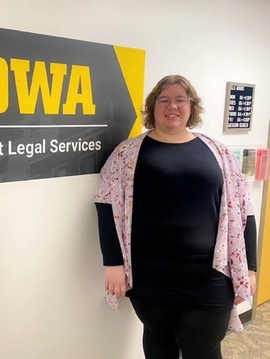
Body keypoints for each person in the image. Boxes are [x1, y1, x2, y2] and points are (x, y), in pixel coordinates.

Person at [95, 74, 257, 359]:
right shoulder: (128, 154)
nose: (173, 106)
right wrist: (113, 263)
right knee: (158, 348)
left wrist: (251, 268)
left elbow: (244, 208)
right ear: (152, 107)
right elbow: (105, 204)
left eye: (181, 100)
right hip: (150, 278)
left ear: (192, 107)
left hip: (210, 277)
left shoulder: (217, 153)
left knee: (203, 351)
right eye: (164, 100)